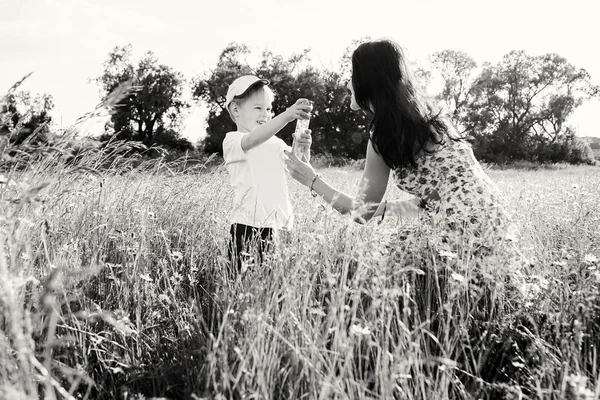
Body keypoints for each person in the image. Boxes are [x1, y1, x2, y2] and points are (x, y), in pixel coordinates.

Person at [284, 39, 518, 252]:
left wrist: (312, 180)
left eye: (352, 75)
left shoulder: (383, 134)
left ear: (367, 80)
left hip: (460, 231)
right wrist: (387, 212)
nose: (348, 84)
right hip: (496, 224)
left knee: (385, 264)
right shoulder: (434, 119)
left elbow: (361, 213)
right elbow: (427, 203)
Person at [222, 75, 313, 275]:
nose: (266, 114)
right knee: (242, 287)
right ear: (235, 110)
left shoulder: (276, 143)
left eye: (269, 109)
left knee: (275, 289)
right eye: (258, 108)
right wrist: (287, 116)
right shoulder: (233, 140)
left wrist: (303, 147)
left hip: (280, 227)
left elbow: (298, 167)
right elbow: (254, 139)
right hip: (247, 228)